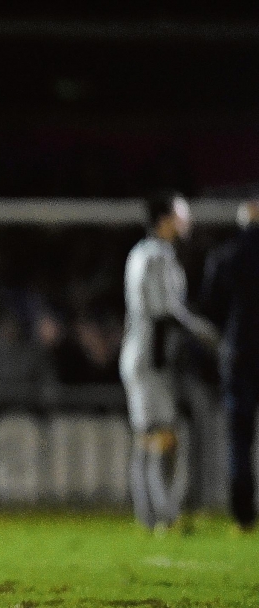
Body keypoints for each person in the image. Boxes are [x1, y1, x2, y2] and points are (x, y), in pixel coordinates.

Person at [118, 192, 220, 534]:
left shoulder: (138, 253)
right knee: (161, 437)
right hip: (151, 357)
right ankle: (163, 516)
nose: (185, 221)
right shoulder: (159, 255)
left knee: (150, 437)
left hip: (139, 353)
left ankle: (152, 515)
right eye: (179, 215)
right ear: (164, 219)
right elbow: (165, 313)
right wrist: (204, 332)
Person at [200, 199, 259, 532]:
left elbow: (211, 309)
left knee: (239, 437)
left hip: (238, 354)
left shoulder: (226, 255)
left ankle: (243, 515)